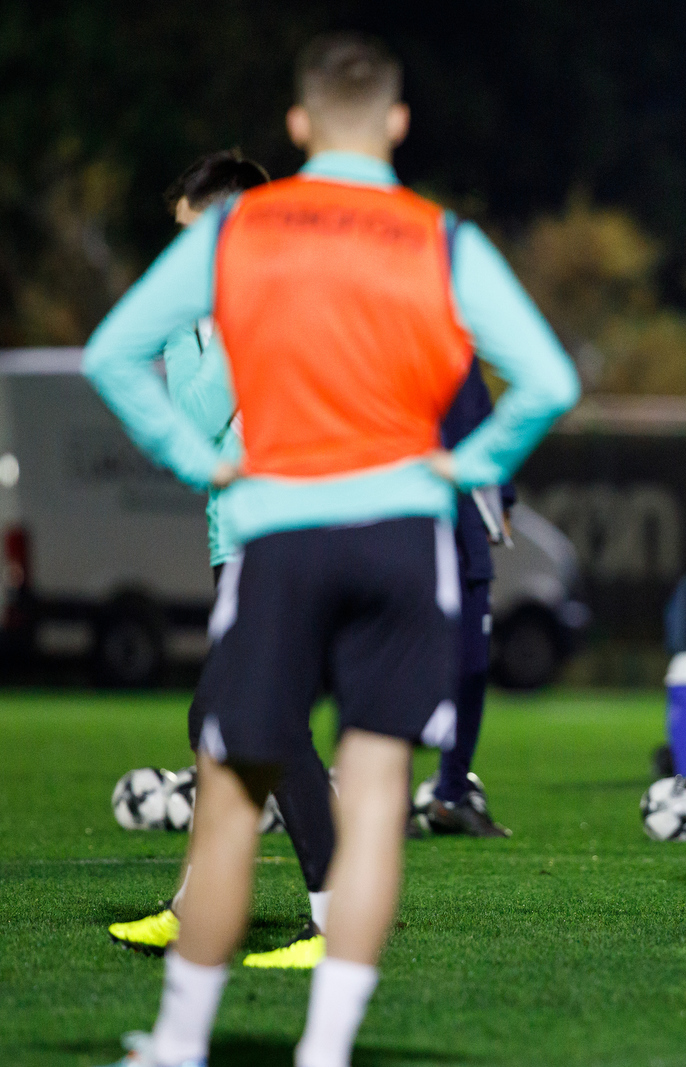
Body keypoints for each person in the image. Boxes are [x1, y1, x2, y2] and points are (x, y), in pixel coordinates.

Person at [84, 34, 578, 1067]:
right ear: (397, 125)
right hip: (402, 536)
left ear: (299, 127)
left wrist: (192, 456)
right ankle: (329, 1048)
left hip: (279, 528)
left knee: (229, 785)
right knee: (376, 778)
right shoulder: (441, 238)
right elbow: (548, 379)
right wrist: (469, 460)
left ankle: (177, 1044)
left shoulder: (243, 232)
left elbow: (111, 351)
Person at [106, 150, 339, 972]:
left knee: (250, 718)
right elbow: (195, 421)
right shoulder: (191, 315)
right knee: (234, 722)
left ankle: (328, 920)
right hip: (229, 536)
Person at [421, 359, 517, 837]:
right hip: (414, 534)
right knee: (400, 672)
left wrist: (506, 500)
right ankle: (388, 800)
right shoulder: (393, 349)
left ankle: (451, 795)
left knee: (473, 668)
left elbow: (490, 431)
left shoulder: (461, 362)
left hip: (467, 540)